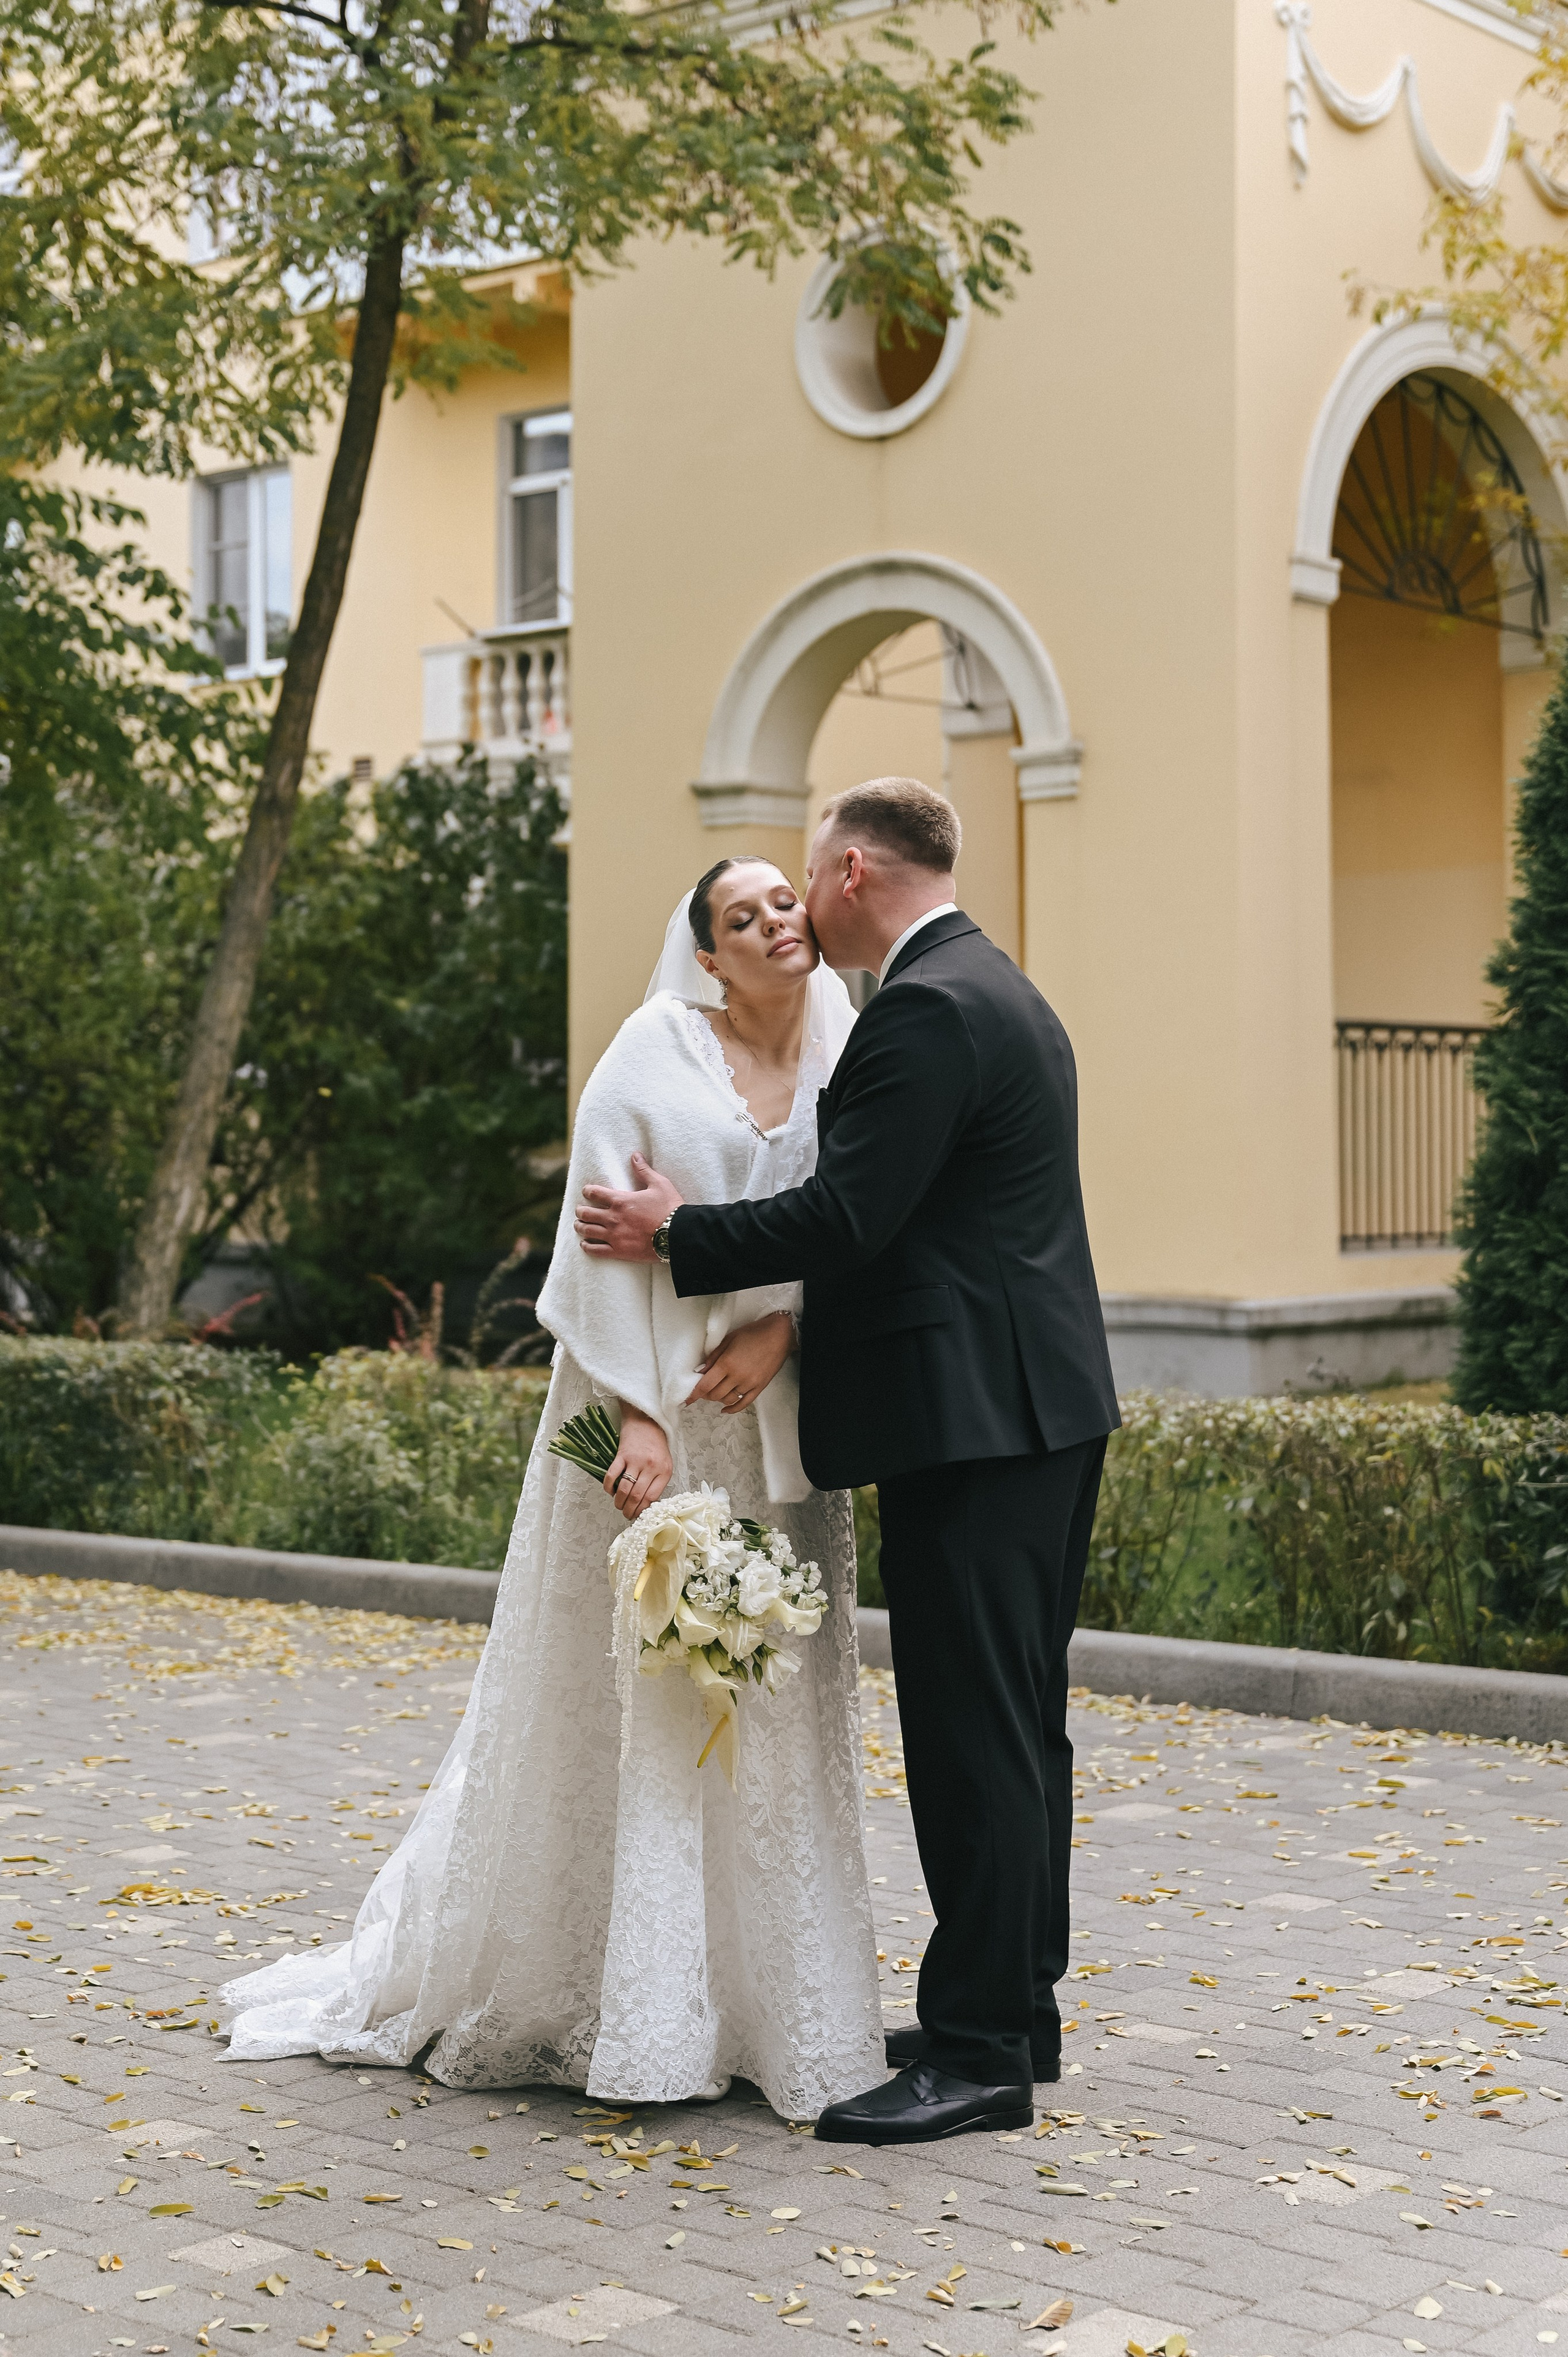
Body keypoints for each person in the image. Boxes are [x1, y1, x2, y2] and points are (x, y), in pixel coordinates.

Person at [217, 858, 883, 2121]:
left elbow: (860, 1220)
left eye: (782, 903)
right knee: (641, 1695)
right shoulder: (648, 1053)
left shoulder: (850, 1042)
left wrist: (782, 1335)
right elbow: (595, 1251)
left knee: (772, 1700)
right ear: (707, 953)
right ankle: (625, 1993)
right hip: (660, 1426)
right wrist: (639, 1412)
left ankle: (767, 2001)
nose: (772, 924)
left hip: (778, 1429)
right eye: (739, 917)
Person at [576, 777, 1120, 2146]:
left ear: (858, 870)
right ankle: (1012, 2008)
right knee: (1018, 1725)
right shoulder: (998, 985)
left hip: (977, 1421)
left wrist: (680, 1235)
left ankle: (980, 2053)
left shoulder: (925, 1010)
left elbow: (850, 1213)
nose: (804, 908)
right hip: (1031, 1408)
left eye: (813, 878)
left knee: (969, 1735)